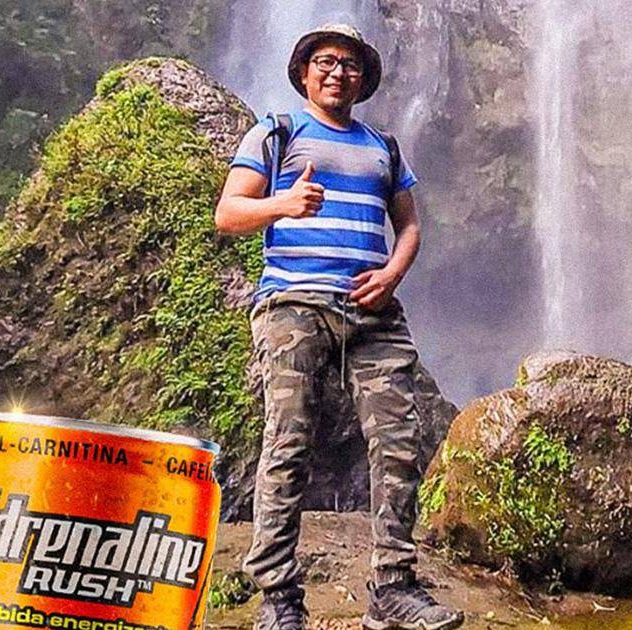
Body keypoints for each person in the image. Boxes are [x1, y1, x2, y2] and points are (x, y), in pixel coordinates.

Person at [214, 23, 464, 630]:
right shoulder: (276, 132)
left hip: (372, 313)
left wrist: (393, 274)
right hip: (293, 306)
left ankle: (393, 588)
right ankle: (278, 596)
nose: (337, 72)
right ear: (304, 73)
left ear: (363, 79)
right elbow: (228, 212)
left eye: (350, 64)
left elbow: (409, 226)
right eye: (325, 61)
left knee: (399, 442)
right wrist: (282, 204)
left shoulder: (385, 148)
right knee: (288, 444)